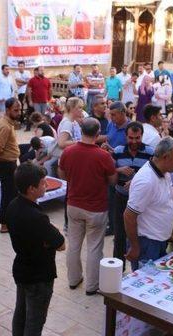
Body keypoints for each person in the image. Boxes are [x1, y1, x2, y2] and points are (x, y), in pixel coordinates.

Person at [6, 162, 64, 336]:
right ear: (31, 188)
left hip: (22, 268)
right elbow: (60, 243)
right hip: (39, 274)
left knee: (21, 314)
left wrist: (45, 242)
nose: (45, 185)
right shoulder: (36, 217)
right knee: (34, 321)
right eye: (42, 183)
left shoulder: (13, 205)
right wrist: (48, 242)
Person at [58, 118, 117, 294]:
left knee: (74, 244)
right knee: (94, 247)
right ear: (98, 134)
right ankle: (92, 286)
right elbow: (113, 181)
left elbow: (62, 174)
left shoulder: (68, 151)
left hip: (74, 204)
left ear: (81, 131)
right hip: (96, 208)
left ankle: (73, 279)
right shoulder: (103, 156)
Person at [124, 137, 173, 270]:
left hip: (159, 241)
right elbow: (129, 215)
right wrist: (134, 247)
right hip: (147, 244)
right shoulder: (146, 181)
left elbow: (165, 199)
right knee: (144, 285)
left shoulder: (165, 172)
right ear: (165, 157)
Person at [112, 122, 153, 266]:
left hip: (141, 200)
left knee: (139, 233)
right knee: (119, 234)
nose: (134, 141)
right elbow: (109, 171)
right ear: (126, 136)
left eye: (137, 138)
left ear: (142, 136)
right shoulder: (117, 151)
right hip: (121, 197)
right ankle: (118, 266)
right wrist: (119, 170)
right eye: (131, 138)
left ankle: (138, 265)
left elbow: (153, 175)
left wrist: (135, 182)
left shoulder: (150, 152)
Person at [0, 98, 21, 233]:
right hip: (7, 164)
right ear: (8, 110)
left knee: (11, 194)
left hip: (9, 162)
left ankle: (10, 222)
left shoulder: (5, 122)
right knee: (8, 195)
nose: (18, 112)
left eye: (19, 109)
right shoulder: (5, 126)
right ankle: (4, 224)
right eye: (16, 110)